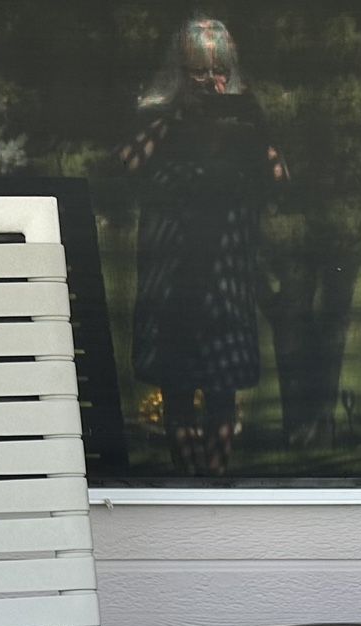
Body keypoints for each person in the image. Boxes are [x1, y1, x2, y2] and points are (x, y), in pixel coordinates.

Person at [122, 16, 286, 475]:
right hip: (173, 279)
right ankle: (189, 485)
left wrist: (253, 127)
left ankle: (214, 482)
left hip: (226, 281)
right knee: (177, 391)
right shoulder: (160, 121)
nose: (211, 83)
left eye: (219, 71)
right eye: (199, 72)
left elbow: (279, 179)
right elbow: (125, 166)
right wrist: (176, 119)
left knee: (222, 390)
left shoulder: (245, 122)